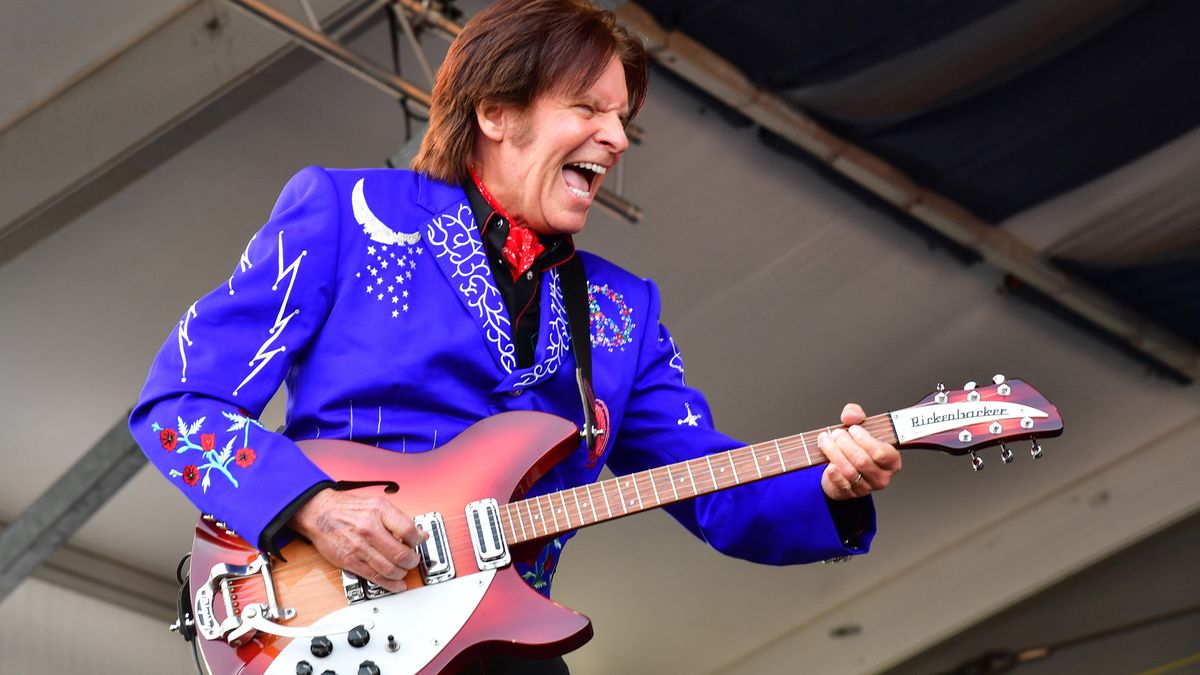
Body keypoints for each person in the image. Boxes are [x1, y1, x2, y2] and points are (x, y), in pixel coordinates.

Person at [130, 0, 901, 672]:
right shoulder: (347, 210)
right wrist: (313, 505)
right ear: (496, 112)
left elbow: (710, 484)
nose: (619, 139)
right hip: (329, 627)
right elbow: (181, 401)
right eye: (589, 109)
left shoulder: (623, 310)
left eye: (623, 119)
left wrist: (827, 486)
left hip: (500, 647)